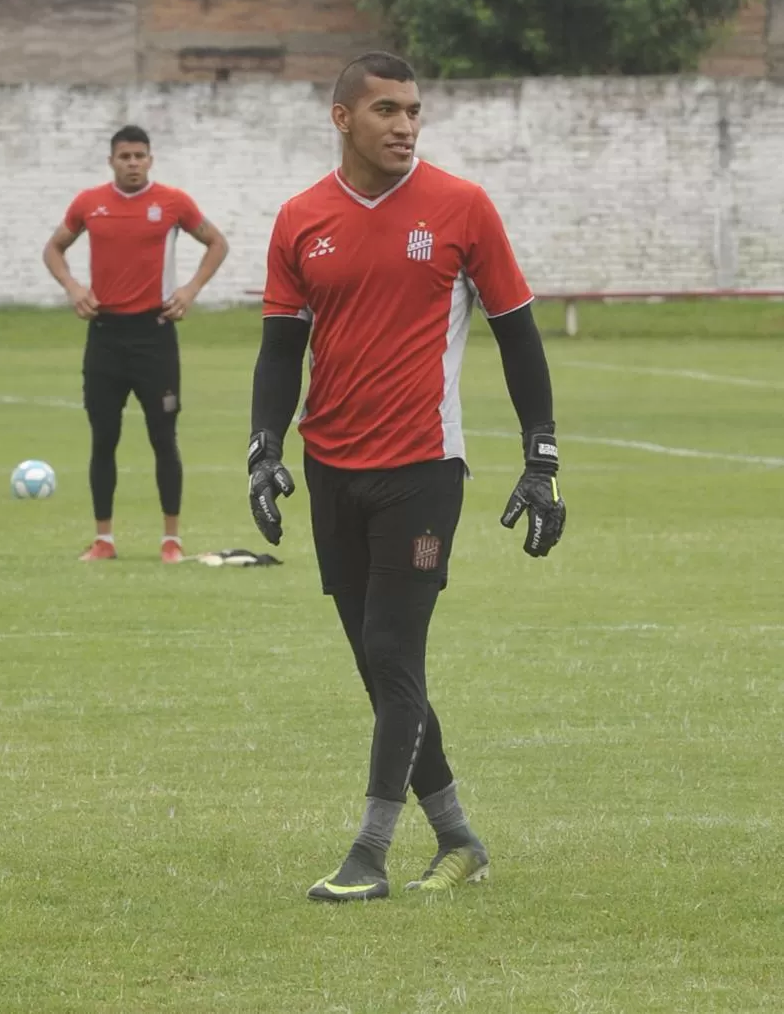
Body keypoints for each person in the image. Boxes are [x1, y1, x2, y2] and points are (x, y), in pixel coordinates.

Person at [247, 53, 566, 901]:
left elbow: (519, 334)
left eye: (415, 111)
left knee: (393, 652)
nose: (405, 125)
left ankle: (370, 854)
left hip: (424, 470)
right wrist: (263, 449)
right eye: (387, 109)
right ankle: (459, 836)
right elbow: (280, 350)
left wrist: (542, 457)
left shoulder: (462, 207)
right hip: (330, 470)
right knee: (381, 669)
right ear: (342, 118)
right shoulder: (299, 219)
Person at [44, 125, 228, 563]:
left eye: (139, 156)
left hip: (155, 336)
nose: (132, 163)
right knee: (103, 438)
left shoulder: (173, 203)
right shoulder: (90, 204)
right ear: (111, 160)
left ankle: (171, 539)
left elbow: (216, 243)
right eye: (124, 156)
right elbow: (54, 249)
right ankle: (104, 539)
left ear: (150, 160)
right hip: (105, 337)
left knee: (163, 438)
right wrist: (72, 287)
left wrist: (190, 290)